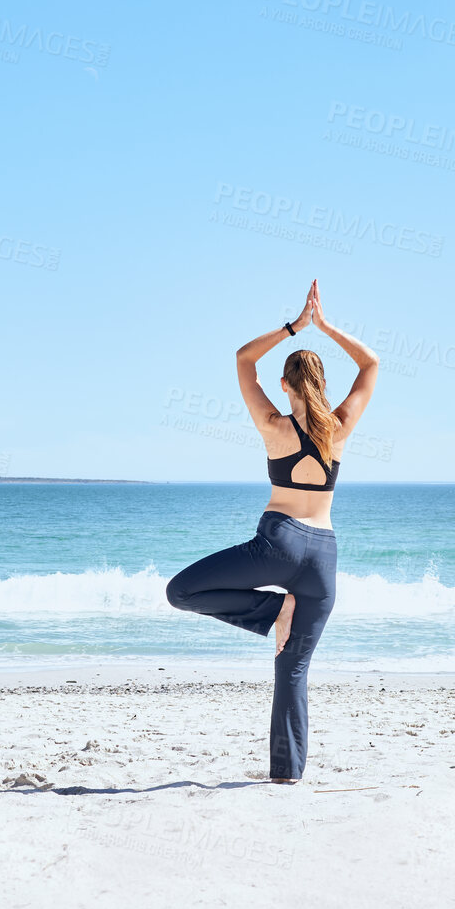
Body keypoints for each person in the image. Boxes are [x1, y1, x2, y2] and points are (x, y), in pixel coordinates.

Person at [164, 280, 379, 783]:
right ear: (323, 386)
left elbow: (243, 359)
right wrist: (327, 327)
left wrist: (295, 327)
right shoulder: (341, 426)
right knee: (293, 670)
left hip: (279, 543)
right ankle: (287, 775)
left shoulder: (274, 425)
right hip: (324, 557)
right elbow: (370, 365)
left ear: (285, 385)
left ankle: (272, 609)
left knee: (181, 591)